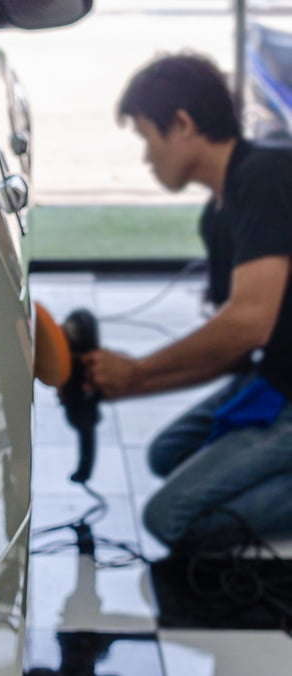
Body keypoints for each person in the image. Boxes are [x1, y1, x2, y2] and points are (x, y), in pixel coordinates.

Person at [84, 53, 292, 552]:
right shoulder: (216, 216)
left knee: (170, 517)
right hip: (272, 379)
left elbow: (248, 324)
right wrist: (128, 384)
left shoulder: (264, 175)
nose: (147, 158)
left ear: (182, 125)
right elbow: (235, 353)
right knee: (166, 456)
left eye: (146, 137)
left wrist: (139, 370)